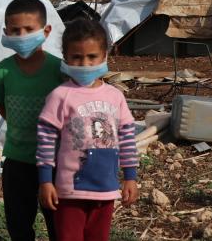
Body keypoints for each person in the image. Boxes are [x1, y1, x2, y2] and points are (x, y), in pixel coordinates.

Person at [36, 18, 139, 241]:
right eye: (77, 57)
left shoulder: (115, 96)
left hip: (106, 189)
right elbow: (45, 141)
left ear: (104, 56)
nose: (85, 64)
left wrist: (130, 177)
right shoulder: (60, 96)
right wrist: (45, 181)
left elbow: (128, 137)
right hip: (70, 191)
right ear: (66, 57)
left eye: (92, 57)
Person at [0, 0, 62, 241]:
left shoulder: (60, 70)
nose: (22, 36)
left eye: (29, 30)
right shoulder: (2, 72)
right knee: (19, 223)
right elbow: (1, 105)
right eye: (15, 30)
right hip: (17, 160)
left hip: (55, 162)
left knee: (58, 222)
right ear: (6, 32)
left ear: (46, 31)